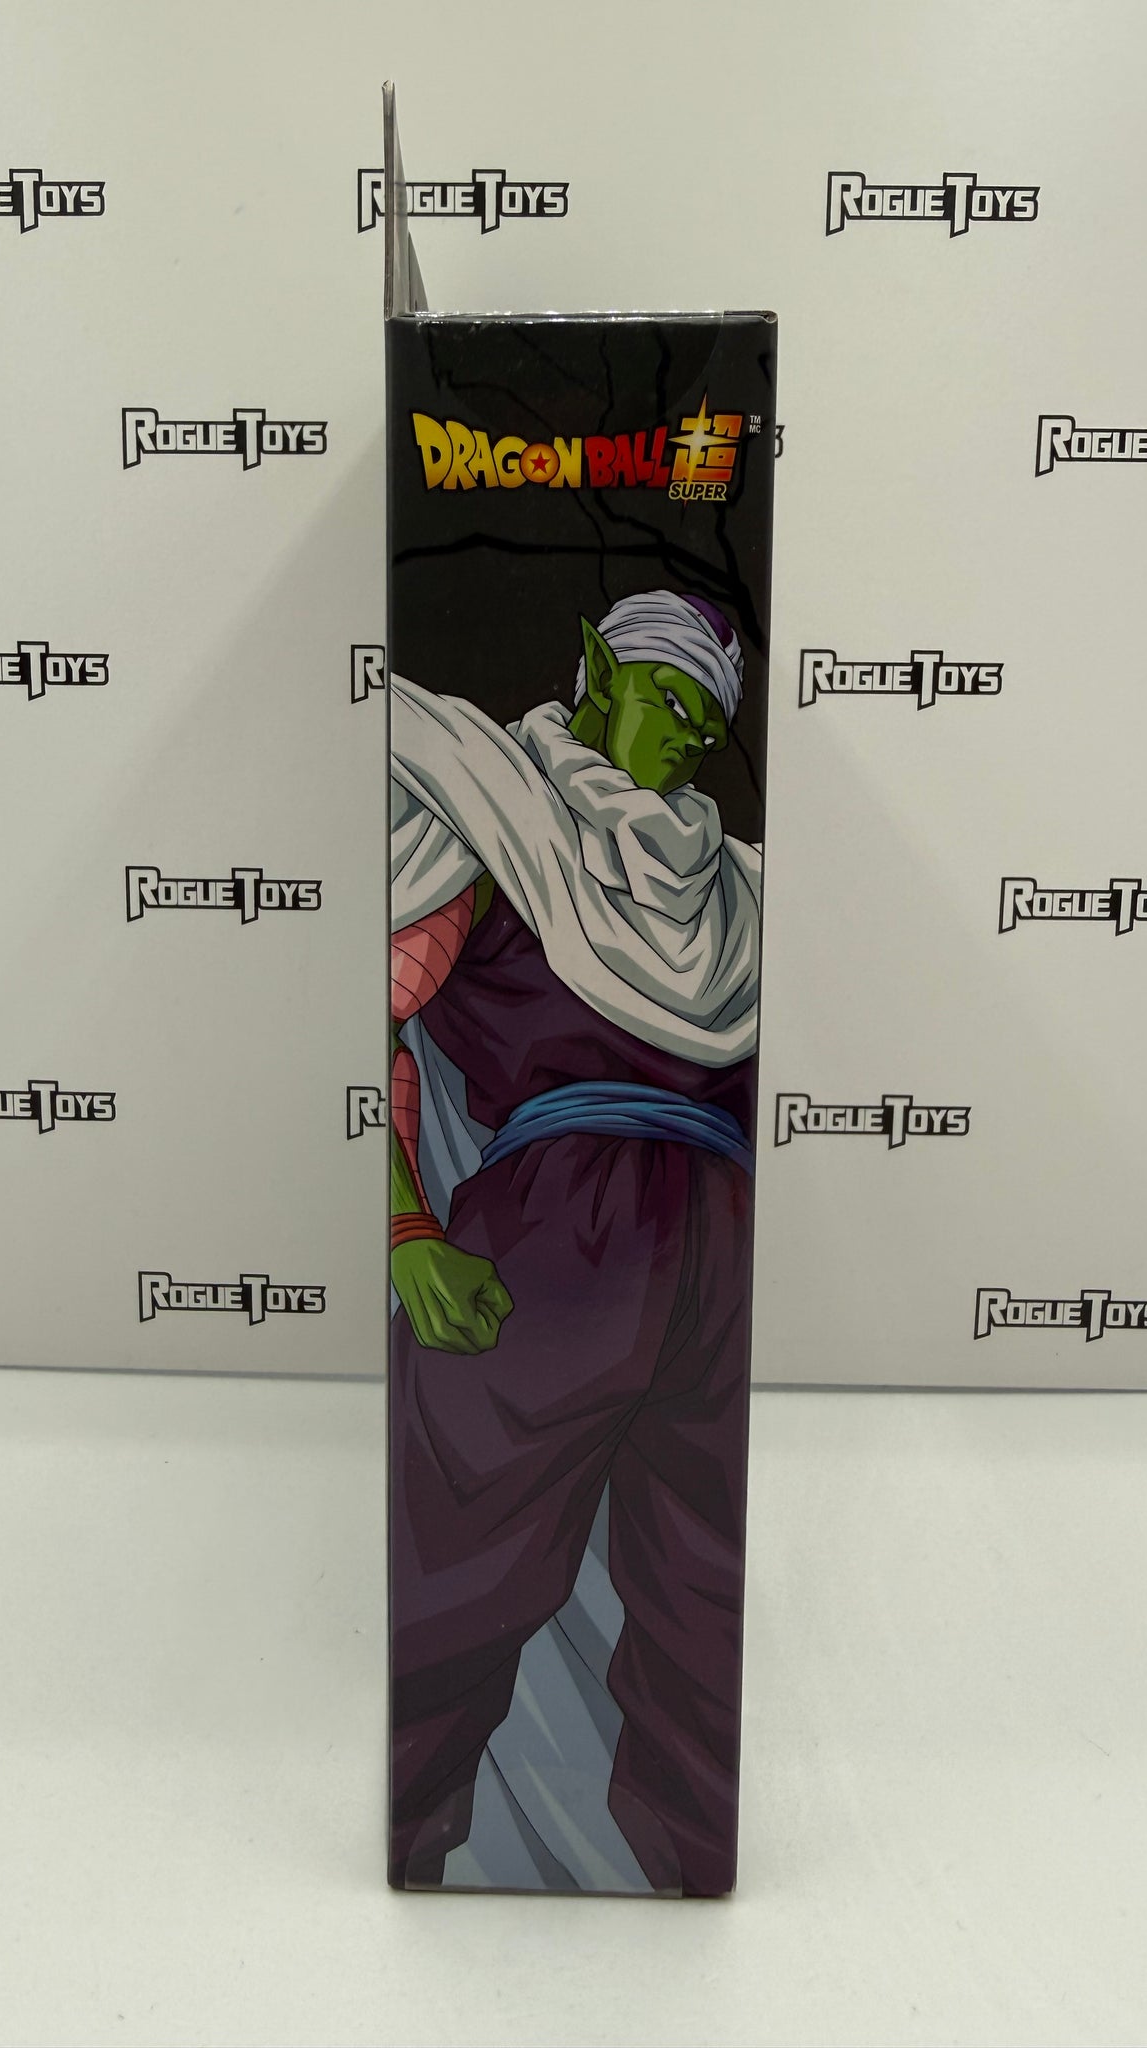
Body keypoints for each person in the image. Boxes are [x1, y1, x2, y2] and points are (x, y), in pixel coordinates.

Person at [388, 589, 763, 1896]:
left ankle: (683, 1882)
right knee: (454, 1586)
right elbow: (371, 1029)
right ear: (598, 666)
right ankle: (414, 1855)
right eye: (669, 700)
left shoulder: (735, 889)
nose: (689, 739)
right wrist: (405, 1229)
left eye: (708, 722)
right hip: (550, 1247)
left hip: (721, 1255)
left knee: (700, 1614)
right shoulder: (495, 820)